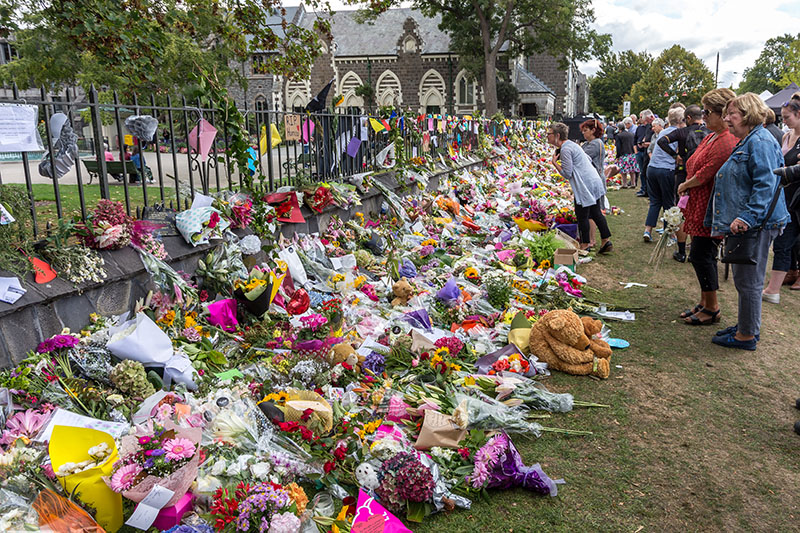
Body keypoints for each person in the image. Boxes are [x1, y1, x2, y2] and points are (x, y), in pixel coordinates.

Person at [709, 93, 790, 350]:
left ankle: (746, 335)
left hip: (757, 223)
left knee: (749, 280)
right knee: (744, 279)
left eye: (731, 114)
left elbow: (766, 184)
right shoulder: (750, 139)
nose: (726, 119)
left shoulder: (761, 141)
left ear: (747, 114)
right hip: (752, 222)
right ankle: (746, 326)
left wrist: (747, 216)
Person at [675, 89, 738, 325]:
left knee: (703, 255)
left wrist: (685, 184)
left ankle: (712, 307)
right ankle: (704, 301)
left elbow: (706, 173)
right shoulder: (713, 136)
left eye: (708, 112)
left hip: (710, 205)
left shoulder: (726, 140)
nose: (704, 116)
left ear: (722, 115)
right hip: (700, 201)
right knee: (699, 254)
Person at [547, 122, 613, 253]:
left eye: (549, 134)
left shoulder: (566, 149)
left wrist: (554, 163)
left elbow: (567, 173)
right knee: (595, 213)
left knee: (582, 214)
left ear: (557, 135)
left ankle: (585, 244)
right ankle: (606, 240)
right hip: (593, 180)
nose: (547, 136)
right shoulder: (572, 145)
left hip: (585, 184)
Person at [658, 105, 712, 261]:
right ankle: (696, 251)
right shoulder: (710, 133)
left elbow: (662, 141)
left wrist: (675, 155)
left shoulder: (682, 132)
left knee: (681, 212)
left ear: (688, 118)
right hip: (704, 176)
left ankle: (681, 252)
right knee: (699, 212)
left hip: (684, 175)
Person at [762, 97, 800, 301]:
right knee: (783, 242)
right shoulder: (786, 136)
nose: (783, 121)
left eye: (787, 117)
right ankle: (774, 289)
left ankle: (774, 289)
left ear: (799, 114)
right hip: (786, 198)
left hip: (797, 197)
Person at [643, 107, 684, 241]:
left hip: (652, 168)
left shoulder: (663, 132)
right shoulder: (679, 133)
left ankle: (648, 230)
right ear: (680, 120)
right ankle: (669, 233)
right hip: (666, 169)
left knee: (655, 201)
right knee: (668, 202)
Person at [634, 110, 654, 197]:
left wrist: (647, 144)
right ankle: (645, 190)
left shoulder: (653, 126)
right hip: (644, 152)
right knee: (643, 172)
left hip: (650, 153)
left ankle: (649, 192)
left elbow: (656, 141)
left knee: (648, 173)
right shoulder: (644, 127)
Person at [615, 118, 638, 188]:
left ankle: (624, 184)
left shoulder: (619, 136)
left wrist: (617, 156)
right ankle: (633, 183)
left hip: (623, 154)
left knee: (623, 171)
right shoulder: (631, 134)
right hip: (631, 153)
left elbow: (618, 147)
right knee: (632, 170)